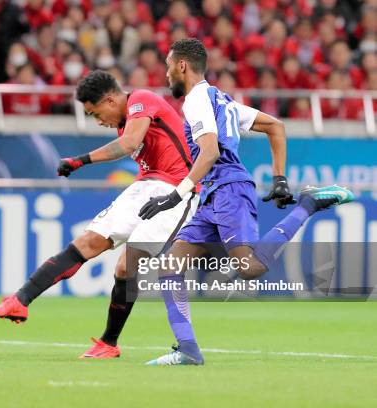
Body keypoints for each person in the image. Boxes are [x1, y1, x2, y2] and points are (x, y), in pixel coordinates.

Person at [138, 38, 354, 366]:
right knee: (169, 266)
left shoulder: (197, 100)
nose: (167, 73)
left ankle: (309, 204)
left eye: (169, 66)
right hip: (213, 193)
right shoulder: (220, 99)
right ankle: (188, 350)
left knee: (250, 268)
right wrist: (279, 178)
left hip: (227, 188)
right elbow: (274, 126)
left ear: (182, 65)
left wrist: (176, 194)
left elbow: (209, 152)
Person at [0, 70, 200, 359]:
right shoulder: (124, 124)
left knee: (126, 267)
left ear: (111, 100)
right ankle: (20, 299)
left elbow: (128, 144)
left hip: (177, 190)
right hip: (144, 186)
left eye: (95, 112)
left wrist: (79, 161)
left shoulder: (141, 99)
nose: (98, 120)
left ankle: (113, 342)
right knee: (88, 241)